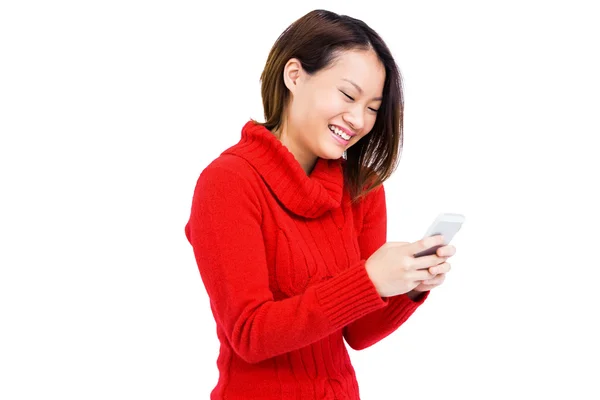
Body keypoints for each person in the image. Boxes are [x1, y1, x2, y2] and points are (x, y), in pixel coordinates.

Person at [184, 9, 456, 399]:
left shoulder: (361, 189)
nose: (359, 119)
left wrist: (409, 286)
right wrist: (368, 280)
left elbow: (358, 333)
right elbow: (249, 335)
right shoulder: (229, 182)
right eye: (348, 95)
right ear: (294, 75)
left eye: (373, 108)